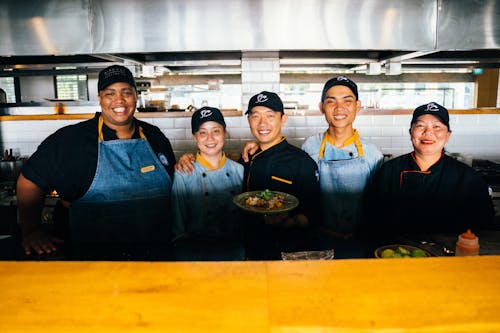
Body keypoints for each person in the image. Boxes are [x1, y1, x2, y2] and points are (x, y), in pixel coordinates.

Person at [16, 65, 176, 260]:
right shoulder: (70, 140)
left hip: (157, 256)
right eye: (110, 93)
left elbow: (174, 185)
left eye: (126, 92)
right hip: (92, 260)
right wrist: (32, 230)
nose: (119, 100)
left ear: (135, 96)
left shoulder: (155, 136)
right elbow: (29, 180)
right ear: (100, 98)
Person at [363, 102, 494, 246]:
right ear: (410, 132)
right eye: (420, 126)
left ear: (448, 135)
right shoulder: (389, 171)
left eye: (437, 127)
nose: (428, 133)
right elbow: (371, 221)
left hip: (448, 258)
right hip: (397, 256)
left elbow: (484, 227)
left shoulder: (467, 177)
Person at [300, 76, 383, 256]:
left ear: (357, 106)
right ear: (322, 107)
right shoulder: (309, 147)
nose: (339, 108)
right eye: (331, 102)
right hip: (318, 240)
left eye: (347, 101)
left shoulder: (373, 154)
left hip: (360, 242)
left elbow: (377, 207)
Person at [239, 91, 320, 260]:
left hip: (287, 253)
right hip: (249, 250)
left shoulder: (301, 162)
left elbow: (314, 215)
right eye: (255, 116)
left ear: (283, 119)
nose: (262, 123)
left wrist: (289, 222)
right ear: (249, 121)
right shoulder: (247, 157)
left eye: (270, 116)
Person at [171, 106, 245, 260]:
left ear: (225, 133)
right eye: (202, 132)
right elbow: (178, 225)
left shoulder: (240, 171)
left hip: (235, 252)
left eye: (216, 131)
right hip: (196, 255)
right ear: (195, 137)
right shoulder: (184, 173)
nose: (210, 138)